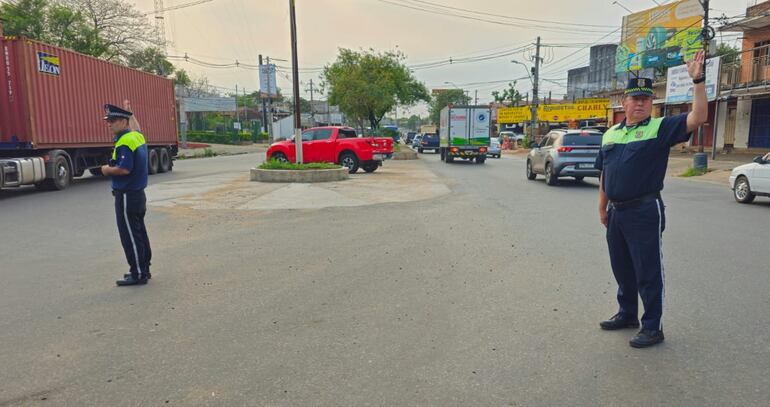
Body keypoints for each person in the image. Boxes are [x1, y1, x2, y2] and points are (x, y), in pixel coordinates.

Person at [595, 50, 708, 348]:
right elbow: (605, 173)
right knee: (622, 266)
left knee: (647, 269)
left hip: (644, 209)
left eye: (646, 98)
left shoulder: (660, 128)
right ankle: (627, 313)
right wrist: (602, 208)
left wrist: (698, 80)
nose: (641, 102)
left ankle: (652, 326)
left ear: (651, 104)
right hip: (616, 212)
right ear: (624, 103)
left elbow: (699, 117)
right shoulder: (610, 135)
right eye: (635, 98)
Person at [100, 104, 152, 286]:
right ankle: (144, 267)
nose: (109, 124)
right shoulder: (136, 136)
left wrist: (106, 170)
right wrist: (132, 112)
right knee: (139, 232)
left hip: (127, 195)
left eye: (112, 121)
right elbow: (138, 128)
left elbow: (123, 169)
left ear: (123, 122)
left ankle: (138, 273)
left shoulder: (123, 142)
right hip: (138, 193)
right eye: (108, 121)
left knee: (129, 234)